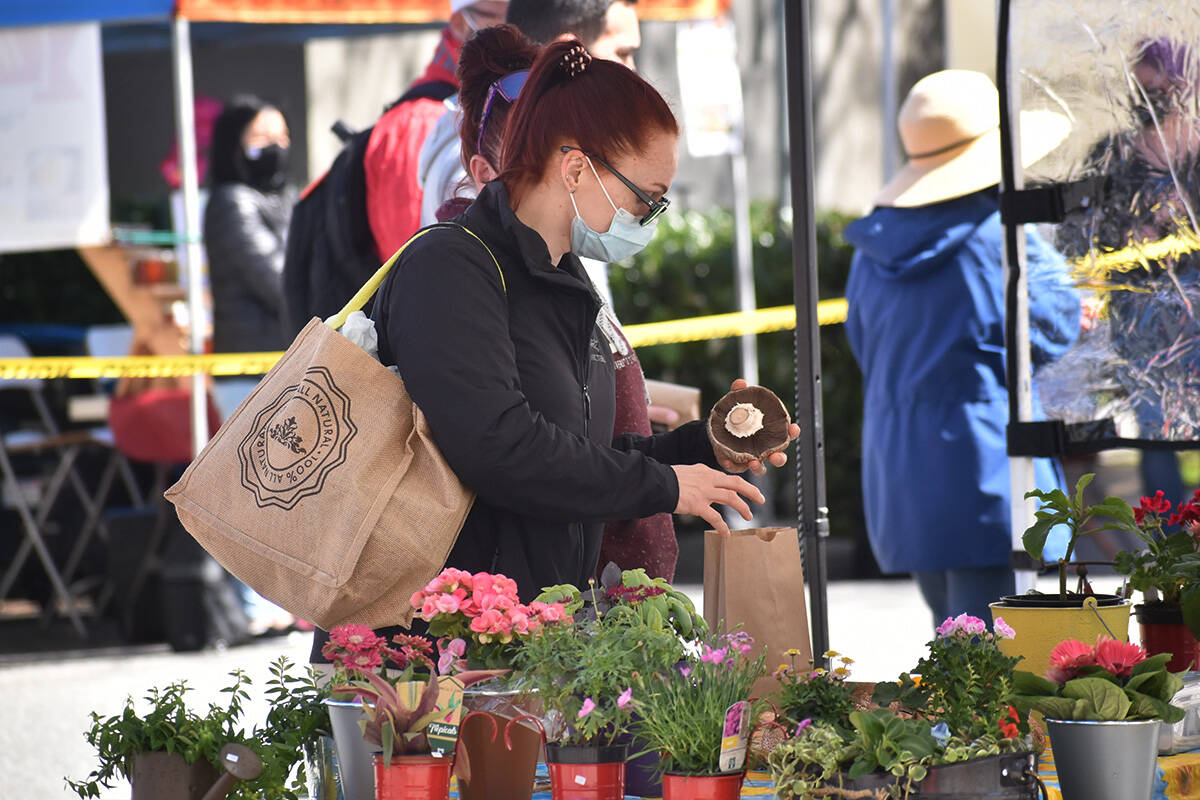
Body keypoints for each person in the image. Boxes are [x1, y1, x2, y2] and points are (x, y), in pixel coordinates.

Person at [310, 39, 797, 661]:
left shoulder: (562, 277)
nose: (650, 218)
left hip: (517, 637)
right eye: (646, 198)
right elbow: (501, 448)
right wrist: (664, 485)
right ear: (575, 169)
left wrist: (705, 448)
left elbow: (576, 454)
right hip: (423, 654)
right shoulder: (451, 266)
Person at [843, 70, 1082, 627]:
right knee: (998, 660)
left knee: (954, 650)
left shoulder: (871, 245)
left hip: (903, 467)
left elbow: (866, 346)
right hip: (989, 465)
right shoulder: (994, 235)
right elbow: (1055, 324)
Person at [364, 0, 509, 263]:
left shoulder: (486, 107)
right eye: (505, 16)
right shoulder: (421, 121)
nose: (522, 30)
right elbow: (411, 261)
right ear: (460, 23)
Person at [205, 95, 296, 416]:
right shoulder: (232, 202)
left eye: (282, 138)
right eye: (262, 138)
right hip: (250, 378)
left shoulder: (285, 197)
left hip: (282, 371)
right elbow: (278, 283)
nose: (276, 147)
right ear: (234, 145)